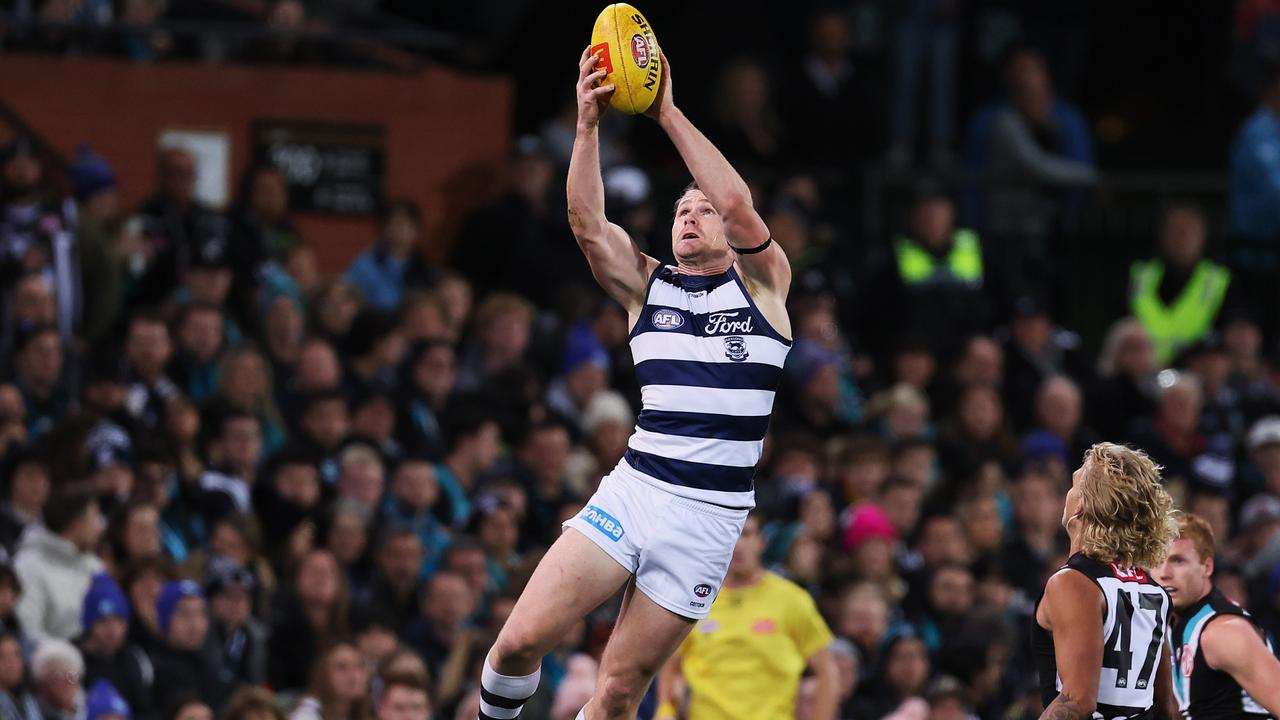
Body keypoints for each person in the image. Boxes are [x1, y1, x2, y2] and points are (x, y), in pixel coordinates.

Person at [479, 48, 794, 720]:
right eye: (683, 206)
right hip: (637, 491)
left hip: (709, 518)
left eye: (702, 209)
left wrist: (667, 112)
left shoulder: (766, 288)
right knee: (517, 644)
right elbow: (587, 226)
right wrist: (587, 125)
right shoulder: (648, 287)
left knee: (619, 693)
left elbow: (738, 201)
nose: (691, 213)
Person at [1032, 443, 1179, 720]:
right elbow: (1166, 706)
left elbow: (1077, 702)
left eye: (1074, 484)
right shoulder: (1154, 590)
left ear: (1082, 507)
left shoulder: (1072, 583)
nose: (1068, 492)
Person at [656, 512, 837, 720]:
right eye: (731, 535)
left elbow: (827, 671)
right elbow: (671, 663)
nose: (738, 545)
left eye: (746, 534)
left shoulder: (792, 600)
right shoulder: (697, 597)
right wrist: (665, 710)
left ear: (761, 542)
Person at [1153, 512, 1280, 719]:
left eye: (1178, 561)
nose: (1164, 573)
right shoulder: (1172, 625)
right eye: (1157, 561)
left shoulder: (1224, 632)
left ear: (1207, 566)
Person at [1129, 203, 1236, 366]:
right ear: (1162, 236)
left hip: (1198, 373)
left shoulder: (1219, 281)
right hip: (1140, 370)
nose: (1182, 237)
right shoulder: (1140, 277)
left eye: (1189, 230)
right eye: (1174, 230)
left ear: (1203, 236)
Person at [14, 484, 106, 642]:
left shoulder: (94, 565)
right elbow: (28, 633)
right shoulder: (28, 567)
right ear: (76, 525)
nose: (100, 527)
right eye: (95, 517)